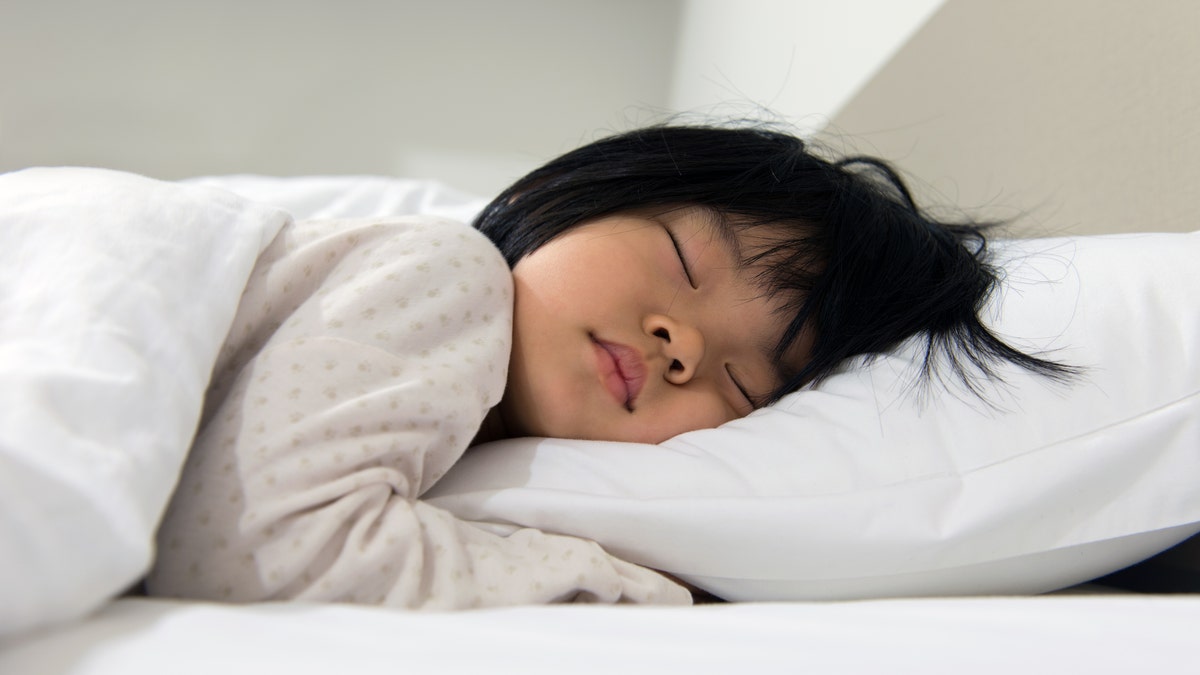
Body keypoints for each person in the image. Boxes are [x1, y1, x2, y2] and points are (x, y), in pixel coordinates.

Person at [147, 122, 1069, 608]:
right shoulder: (447, 272)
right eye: (683, 262)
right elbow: (249, 552)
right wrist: (619, 585)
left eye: (745, 383)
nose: (687, 343)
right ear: (565, 198)